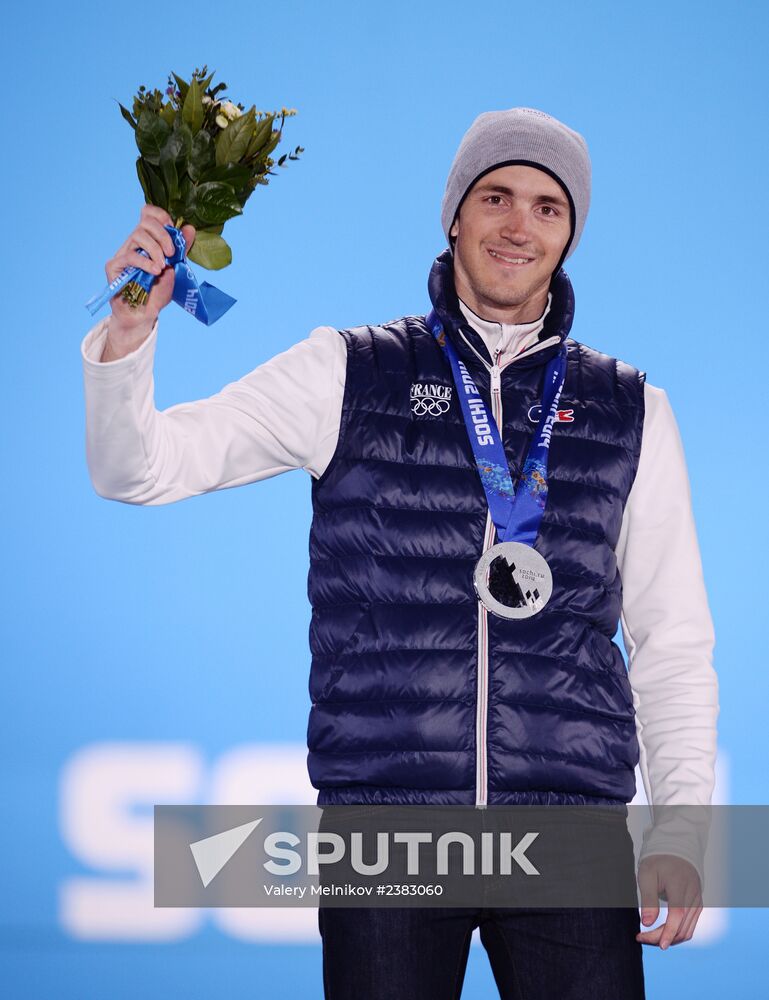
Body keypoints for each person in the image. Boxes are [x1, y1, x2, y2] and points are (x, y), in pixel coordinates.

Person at [81, 108, 719, 998]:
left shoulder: (629, 410)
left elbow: (672, 638)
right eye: (495, 197)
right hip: (389, 833)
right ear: (454, 213)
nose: (516, 225)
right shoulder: (346, 371)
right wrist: (129, 333)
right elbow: (138, 469)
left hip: (568, 832)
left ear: (570, 234)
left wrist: (681, 831)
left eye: (546, 207)